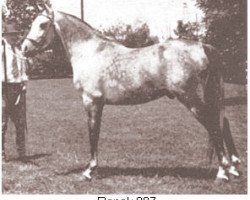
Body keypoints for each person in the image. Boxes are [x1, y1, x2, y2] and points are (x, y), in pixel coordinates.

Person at [2, 3, 29, 161]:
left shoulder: (18, 50)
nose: (14, 37)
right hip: (3, 89)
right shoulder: (1, 48)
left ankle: (21, 153)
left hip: (18, 89)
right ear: (4, 35)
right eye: (11, 34)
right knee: (2, 123)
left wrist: (24, 84)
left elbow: (23, 70)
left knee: (20, 123)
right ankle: (1, 153)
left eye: (15, 34)